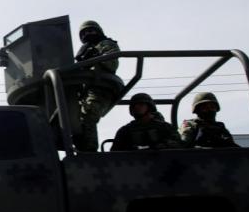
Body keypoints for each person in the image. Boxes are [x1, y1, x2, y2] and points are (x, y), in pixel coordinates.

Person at [74, 20, 121, 152]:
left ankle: (89, 151)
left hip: (102, 86)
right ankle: (80, 147)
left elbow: (112, 63)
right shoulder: (84, 50)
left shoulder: (106, 44)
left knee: (89, 114)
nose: (87, 34)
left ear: (98, 32)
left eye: (91, 31)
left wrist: (95, 56)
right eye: (84, 33)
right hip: (86, 89)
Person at [110, 93, 182, 151]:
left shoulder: (164, 127)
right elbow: (114, 154)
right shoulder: (125, 131)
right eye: (134, 106)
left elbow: (179, 146)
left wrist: (162, 146)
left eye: (141, 104)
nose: (137, 107)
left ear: (149, 107)